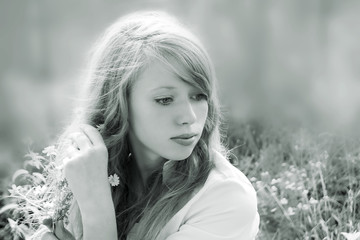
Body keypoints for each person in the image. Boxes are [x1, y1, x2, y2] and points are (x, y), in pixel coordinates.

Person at [34, 11, 260, 240]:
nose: (189, 117)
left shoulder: (226, 198)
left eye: (199, 96)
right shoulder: (91, 169)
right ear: (119, 105)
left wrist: (96, 209)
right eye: (165, 100)